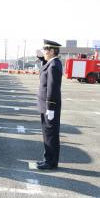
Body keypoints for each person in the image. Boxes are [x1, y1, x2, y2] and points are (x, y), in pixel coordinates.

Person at [36, 39, 62, 170]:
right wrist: (41, 57)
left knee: (50, 135)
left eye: (46, 50)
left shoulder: (54, 66)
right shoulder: (51, 63)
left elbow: (52, 88)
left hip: (49, 106)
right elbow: (44, 65)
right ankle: (47, 159)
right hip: (45, 106)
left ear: (52, 51)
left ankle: (51, 162)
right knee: (47, 134)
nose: (44, 52)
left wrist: (50, 108)